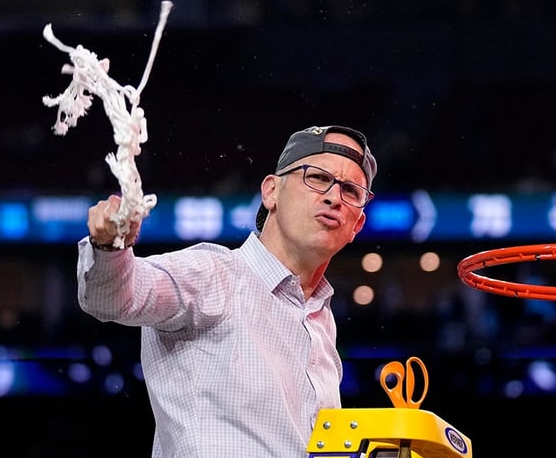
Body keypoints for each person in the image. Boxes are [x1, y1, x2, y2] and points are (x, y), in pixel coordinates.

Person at [76, 125, 377, 457]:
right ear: (271, 192)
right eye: (318, 178)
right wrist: (109, 246)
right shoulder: (212, 274)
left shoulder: (321, 320)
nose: (334, 197)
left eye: (351, 190)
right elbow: (114, 297)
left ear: (357, 226)